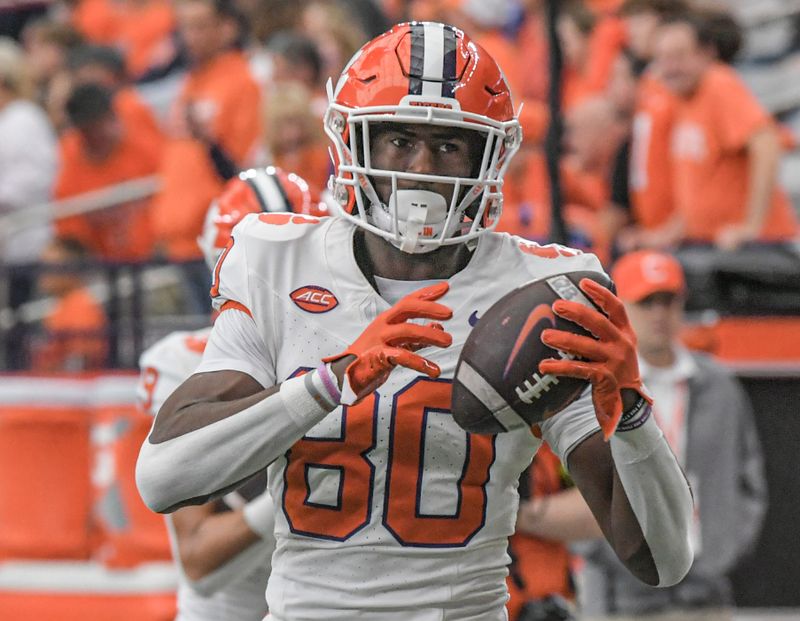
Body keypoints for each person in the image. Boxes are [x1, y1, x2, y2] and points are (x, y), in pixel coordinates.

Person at [137, 22, 693, 619]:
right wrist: (331, 383)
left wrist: (631, 413)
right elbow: (164, 478)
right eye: (399, 140)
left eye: (450, 145)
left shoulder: (539, 291)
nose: (423, 167)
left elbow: (663, 559)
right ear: (355, 142)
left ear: (490, 156)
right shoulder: (280, 261)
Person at [137, 166, 324, 620]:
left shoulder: (360, 351)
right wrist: (293, 493)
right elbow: (200, 563)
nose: (276, 287)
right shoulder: (183, 363)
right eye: (259, 270)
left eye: (296, 267)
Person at [577, 249, 767, 619]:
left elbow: (750, 478)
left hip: (706, 593)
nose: (659, 315)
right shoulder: (596, 385)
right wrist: (610, 554)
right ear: (619, 307)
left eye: (668, 301)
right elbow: (577, 485)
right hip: (625, 596)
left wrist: (721, 552)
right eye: (647, 303)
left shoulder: (718, 384)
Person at [650, 13, 798, 250]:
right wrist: (673, 229)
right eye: (663, 58)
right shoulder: (682, 98)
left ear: (706, 53)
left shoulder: (718, 83)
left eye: (678, 56)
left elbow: (767, 143)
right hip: (712, 246)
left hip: (753, 250)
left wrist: (752, 227)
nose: (669, 68)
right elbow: (702, 184)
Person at [54, 83, 159, 261]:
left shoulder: (143, 144)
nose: (98, 134)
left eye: (103, 122)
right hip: (107, 268)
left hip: (158, 256)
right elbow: (70, 235)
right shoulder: (70, 159)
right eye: (90, 129)